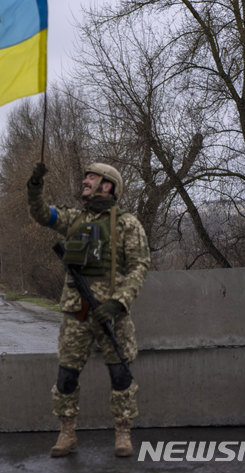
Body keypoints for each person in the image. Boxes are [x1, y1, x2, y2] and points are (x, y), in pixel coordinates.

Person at [26, 162, 151, 458]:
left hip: (113, 313)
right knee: (66, 376)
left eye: (92, 177)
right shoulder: (73, 219)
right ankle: (67, 433)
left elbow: (140, 266)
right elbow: (41, 213)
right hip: (77, 311)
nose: (85, 181)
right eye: (85, 176)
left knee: (121, 374)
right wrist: (35, 184)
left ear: (108, 185)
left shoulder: (127, 224)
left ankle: (123, 433)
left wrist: (119, 302)